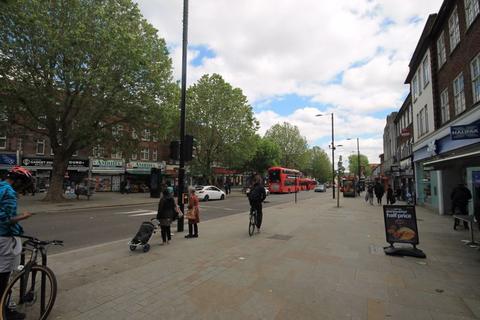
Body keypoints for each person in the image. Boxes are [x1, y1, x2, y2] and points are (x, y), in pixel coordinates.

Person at [0, 166, 34, 320]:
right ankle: (4, 312)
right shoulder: (9, 193)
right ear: (18, 181)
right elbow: (6, 220)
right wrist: (24, 216)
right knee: (3, 276)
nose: (22, 189)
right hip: (4, 239)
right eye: (23, 185)